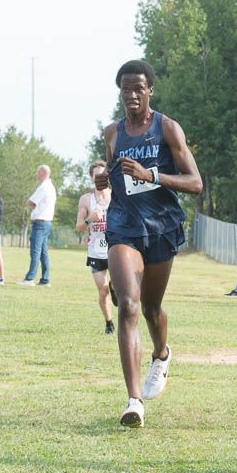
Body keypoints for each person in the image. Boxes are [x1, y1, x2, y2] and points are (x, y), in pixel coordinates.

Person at [96, 59, 202, 428]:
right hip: (124, 226)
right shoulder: (112, 133)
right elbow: (112, 174)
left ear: (150, 90)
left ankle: (161, 353)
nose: (132, 95)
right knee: (127, 304)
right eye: (126, 89)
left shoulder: (167, 128)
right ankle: (133, 401)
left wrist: (150, 174)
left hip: (160, 227)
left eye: (139, 88)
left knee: (152, 309)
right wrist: (101, 178)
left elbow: (195, 182)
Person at [75, 162, 114, 333]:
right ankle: (109, 323)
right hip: (96, 251)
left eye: (103, 174)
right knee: (103, 290)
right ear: (91, 178)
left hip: (115, 248)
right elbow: (78, 227)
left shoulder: (117, 196)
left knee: (118, 288)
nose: (100, 178)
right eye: (96, 175)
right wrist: (90, 219)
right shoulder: (86, 199)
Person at [19, 164, 56, 287]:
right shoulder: (51, 187)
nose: (36, 175)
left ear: (42, 173)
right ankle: (45, 279)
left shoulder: (43, 187)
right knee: (43, 252)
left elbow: (30, 202)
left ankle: (30, 278)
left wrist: (36, 206)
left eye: (37, 172)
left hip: (40, 223)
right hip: (47, 223)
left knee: (35, 251)